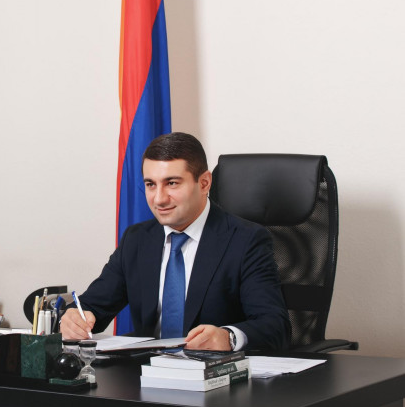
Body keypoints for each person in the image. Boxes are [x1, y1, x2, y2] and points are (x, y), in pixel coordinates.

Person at [60, 132, 290, 351]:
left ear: (204, 183)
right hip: (146, 371)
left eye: (172, 183)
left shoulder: (246, 240)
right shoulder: (137, 239)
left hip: (213, 372)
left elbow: (275, 326)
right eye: (151, 184)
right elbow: (91, 305)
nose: (159, 199)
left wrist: (228, 337)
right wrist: (74, 318)